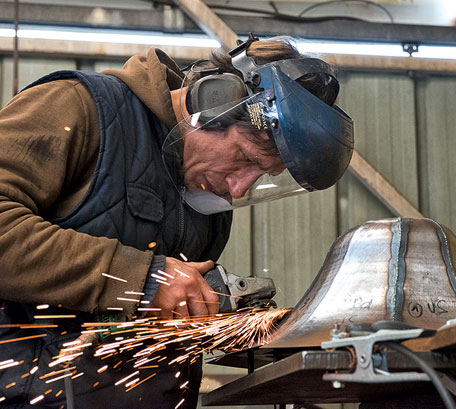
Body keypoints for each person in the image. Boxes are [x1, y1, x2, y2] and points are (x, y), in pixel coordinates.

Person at [0, 35, 353, 408]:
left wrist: (219, 314)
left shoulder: (206, 202)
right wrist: (142, 279)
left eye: (262, 174)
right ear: (213, 100)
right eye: (246, 159)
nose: (238, 187)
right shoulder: (80, 108)